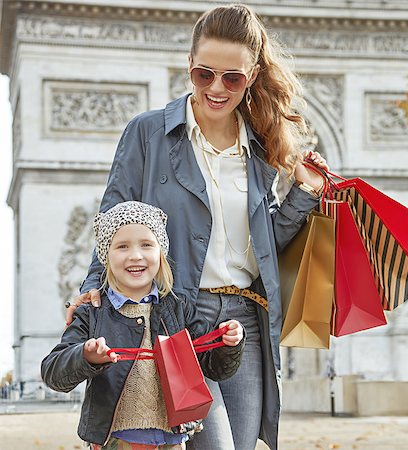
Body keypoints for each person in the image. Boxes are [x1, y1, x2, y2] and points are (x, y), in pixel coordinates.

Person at [66, 4, 329, 449]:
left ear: (252, 77)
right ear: (190, 67)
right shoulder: (147, 133)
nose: (217, 88)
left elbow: (264, 247)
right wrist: (93, 288)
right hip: (177, 316)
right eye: (205, 74)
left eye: (233, 78)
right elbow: (113, 220)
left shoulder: (262, 146)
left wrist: (304, 194)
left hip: (244, 324)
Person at [42, 201, 245, 449]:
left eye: (146, 244)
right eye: (122, 246)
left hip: (173, 440)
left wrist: (229, 344)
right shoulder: (91, 314)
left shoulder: (178, 308)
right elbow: (52, 372)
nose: (135, 255)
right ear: (106, 256)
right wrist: (85, 356)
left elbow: (214, 368)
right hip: (116, 441)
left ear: (160, 252)